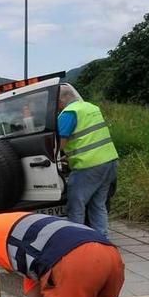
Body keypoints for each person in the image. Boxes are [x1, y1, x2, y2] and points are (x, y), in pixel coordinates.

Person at [57, 86, 118, 239]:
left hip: (89, 166)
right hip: (109, 161)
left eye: (57, 102)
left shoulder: (69, 113)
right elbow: (88, 138)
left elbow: (60, 144)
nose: (57, 106)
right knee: (98, 205)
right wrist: (69, 156)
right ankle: (102, 240)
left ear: (62, 99)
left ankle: (78, 242)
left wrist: (53, 158)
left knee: (76, 205)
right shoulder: (91, 108)